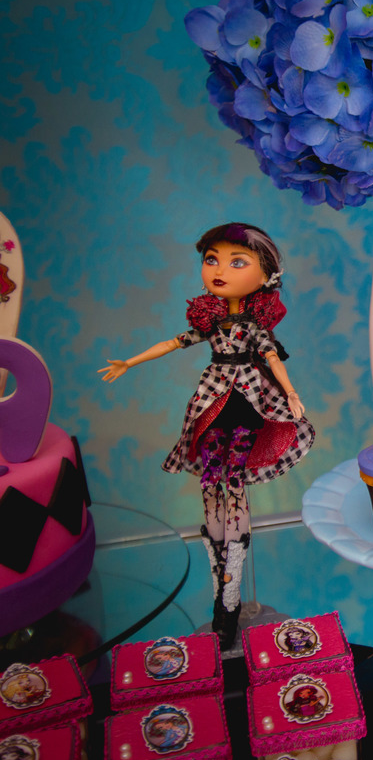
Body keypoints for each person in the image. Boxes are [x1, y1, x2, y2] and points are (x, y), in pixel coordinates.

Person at [99, 223, 314, 649]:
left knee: (233, 480)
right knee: (210, 482)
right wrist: (129, 362)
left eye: (237, 262)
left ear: (266, 274)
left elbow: (272, 358)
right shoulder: (211, 322)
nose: (219, 270)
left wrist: (290, 392)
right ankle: (221, 585)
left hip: (247, 402)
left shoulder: (253, 327)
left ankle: (231, 587)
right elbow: (172, 343)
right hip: (212, 401)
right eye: (211, 259)